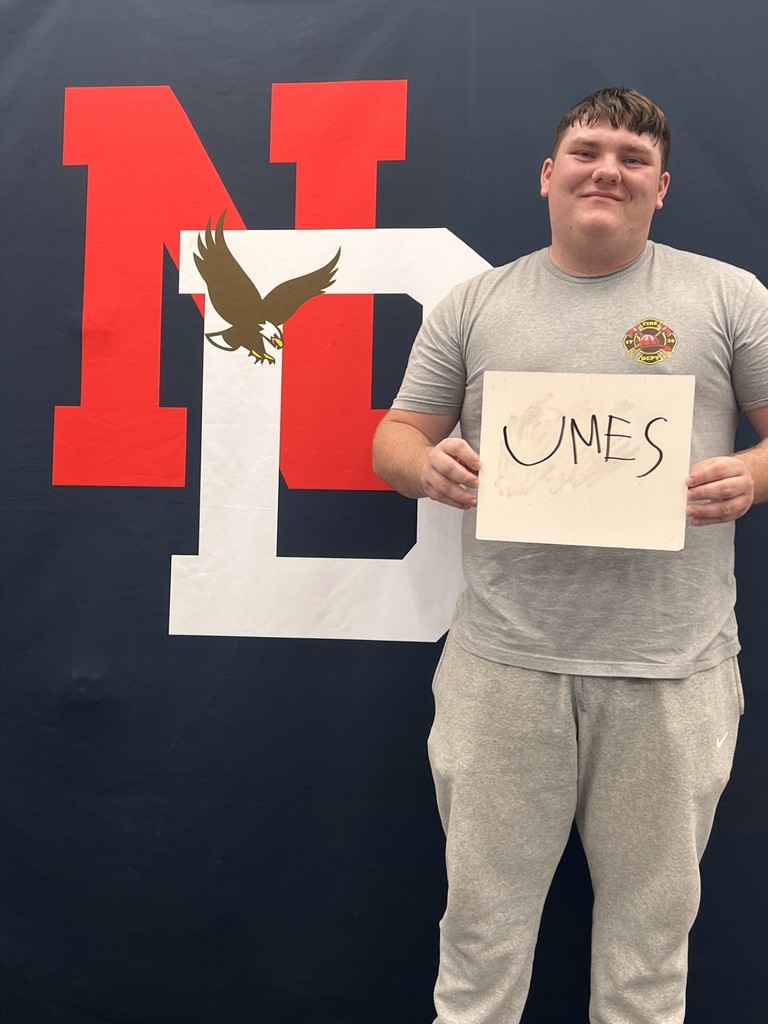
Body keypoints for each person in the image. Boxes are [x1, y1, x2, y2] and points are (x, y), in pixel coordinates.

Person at [372, 87, 768, 1024]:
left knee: (647, 961)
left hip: (673, 672)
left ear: (661, 188)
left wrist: (752, 476)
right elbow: (393, 437)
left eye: (633, 159)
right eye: (587, 151)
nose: (608, 170)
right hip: (503, 669)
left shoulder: (727, 297)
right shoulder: (476, 304)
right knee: (478, 949)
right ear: (550, 175)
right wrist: (426, 465)